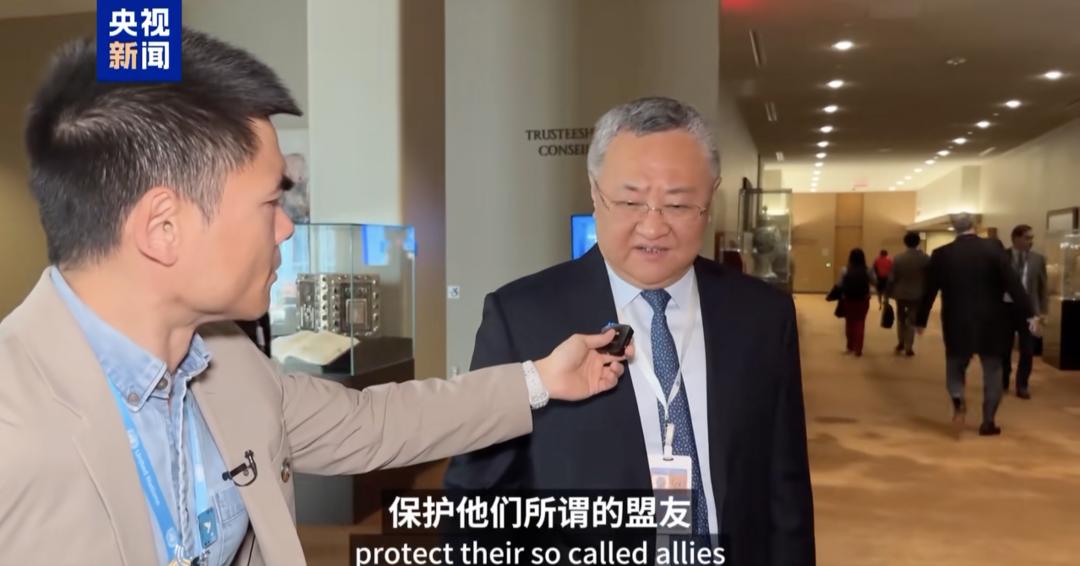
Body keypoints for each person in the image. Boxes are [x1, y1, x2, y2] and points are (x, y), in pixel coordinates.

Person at [0, 30, 632, 566]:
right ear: (163, 228)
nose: (286, 228)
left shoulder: (227, 364)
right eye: (269, 202)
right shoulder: (15, 418)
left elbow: (374, 423)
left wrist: (541, 379)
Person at [444, 97, 815, 565]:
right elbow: (477, 502)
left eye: (678, 204)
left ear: (711, 196)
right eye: (630, 201)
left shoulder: (762, 315)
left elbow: (785, 487)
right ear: (594, 192)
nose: (653, 227)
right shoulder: (521, 317)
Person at [915, 214, 1035, 436]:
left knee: (955, 366)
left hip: (956, 320)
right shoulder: (994, 249)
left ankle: (958, 400)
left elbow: (929, 290)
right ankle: (988, 421)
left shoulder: (942, 254)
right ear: (975, 226)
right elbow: (1013, 284)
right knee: (993, 370)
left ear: (954, 228)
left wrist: (921, 320)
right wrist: (1029, 313)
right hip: (992, 321)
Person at [1003, 224, 1048, 399]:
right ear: (1016, 238)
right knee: (1004, 348)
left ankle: (1022, 385)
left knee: (1028, 349)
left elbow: (1042, 287)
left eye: (1031, 238)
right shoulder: (1002, 257)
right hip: (1006, 308)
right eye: (1027, 238)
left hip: (1029, 311)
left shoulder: (1038, 259)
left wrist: (1042, 312)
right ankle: (1003, 379)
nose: (1031, 241)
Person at [887, 232, 930, 356]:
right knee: (912, 320)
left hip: (900, 293)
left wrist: (887, 292)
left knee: (901, 319)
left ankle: (900, 342)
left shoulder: (898, 258)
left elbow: (892, 278)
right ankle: (908, 347)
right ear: (918, 242)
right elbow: (929, 277)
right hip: (917, 294)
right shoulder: (925, 258)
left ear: (905, 242)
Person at [838, 249, 875, 357]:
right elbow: (874, 282)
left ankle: (850, 346)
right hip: (863, 299)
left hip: (848, 299)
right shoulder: (868, 270)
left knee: (849, 322)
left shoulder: (845, 270)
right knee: (860, 322)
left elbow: (840, 284)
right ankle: (858, 349)